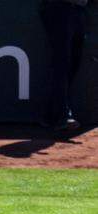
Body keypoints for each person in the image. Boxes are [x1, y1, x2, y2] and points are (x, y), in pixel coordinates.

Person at [40, 0, 90, 130]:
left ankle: (51, 115)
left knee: (73, 64)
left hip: (79, 10)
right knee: (62, 63)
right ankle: (61, 115)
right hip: (59, 8)